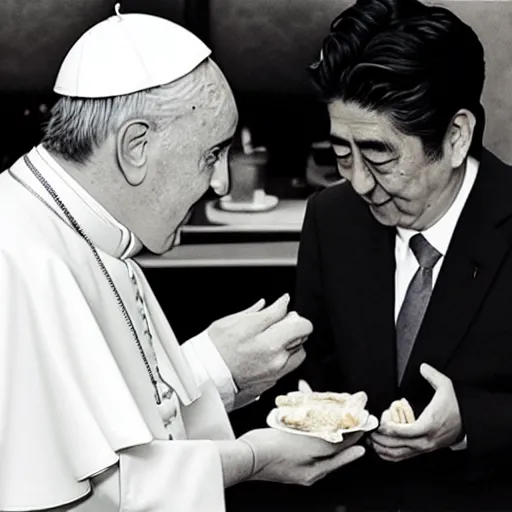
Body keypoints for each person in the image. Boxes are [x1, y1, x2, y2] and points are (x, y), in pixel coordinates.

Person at [0, 8, 366, 512]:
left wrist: (212, 372)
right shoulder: (19, 261)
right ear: (135, 146)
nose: (220, 183)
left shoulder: (91, 233)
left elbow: (122, 431)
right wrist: (253, 457)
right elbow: (84, 497)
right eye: (211, 154)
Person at [293, 0, 512, 509]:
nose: (359, 182)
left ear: (455, 137)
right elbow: (315, 374)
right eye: (341, 154)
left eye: (378, 155)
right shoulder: (332, 218)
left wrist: (471, 422)